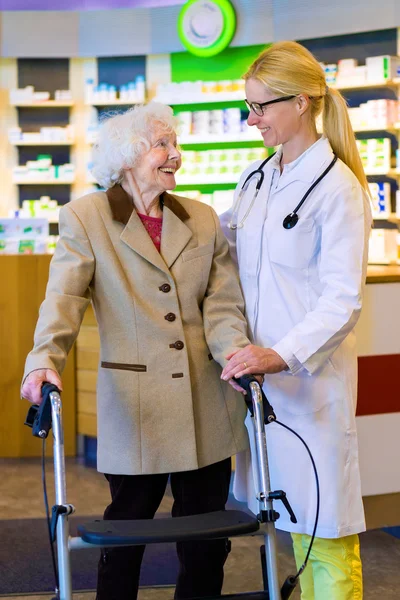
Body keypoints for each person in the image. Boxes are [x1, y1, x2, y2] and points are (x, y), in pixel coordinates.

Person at [21, 102, 253, 600]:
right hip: (136, 404)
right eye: (163, 145)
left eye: (176, 144)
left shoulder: (203, 219)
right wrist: (44, 361)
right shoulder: (87, 217)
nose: (176, 155)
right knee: (124, 532)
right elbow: (63, 298)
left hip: (206, 402)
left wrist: (236, 353)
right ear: (129, 157)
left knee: (207, 540)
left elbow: (223, 303)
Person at [220, 41, 372, 600]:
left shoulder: (339, 189)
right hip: (261, 386)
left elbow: (341, 301)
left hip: (309, 388)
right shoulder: (256, 179)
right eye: (249, 107)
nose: (252, 119)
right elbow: (225, 245)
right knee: (286, 527)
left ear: (303, 103)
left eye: (262, 107)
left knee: (325, 533)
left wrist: (278, 354)